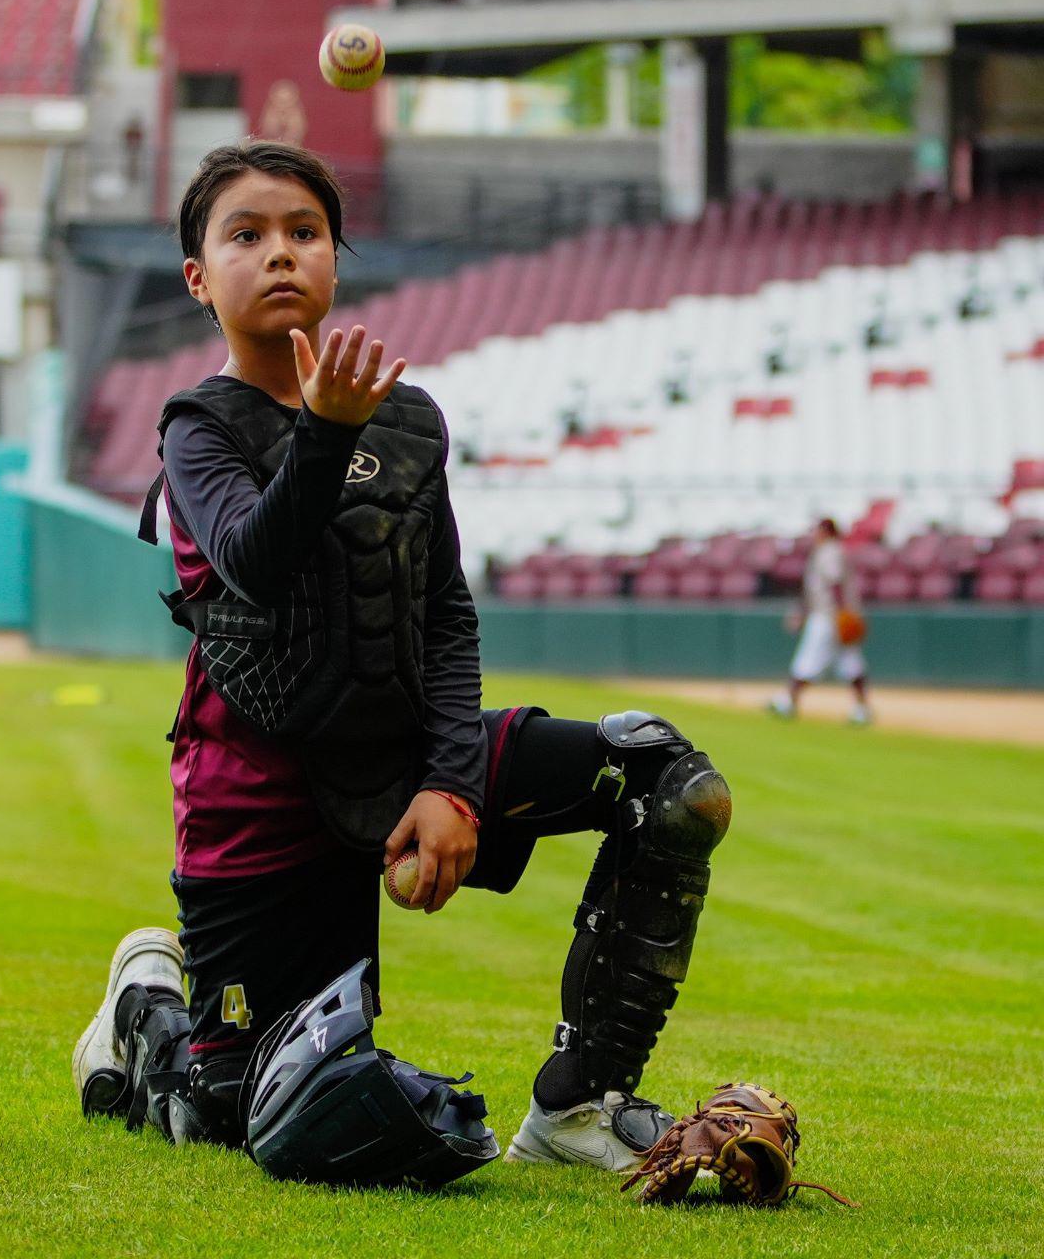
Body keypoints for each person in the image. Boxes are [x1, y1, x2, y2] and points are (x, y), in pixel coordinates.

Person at [71, 142, 732, 1181]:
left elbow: (445, 613)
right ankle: (143, 1009)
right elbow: (253, 559)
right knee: (253, 1111)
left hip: (406, 751)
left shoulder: (411, 422)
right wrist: (322, 435)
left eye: (304, 232)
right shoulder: (197, 429)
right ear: (198, 279)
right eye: (244, 235)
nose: (279, 252)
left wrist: (452, 788)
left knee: (671, 783)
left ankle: (580, 1104)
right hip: (261, 795)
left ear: (337, 259)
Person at [770, 517, 872, 726]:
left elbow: (834, 584)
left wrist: (842, 614)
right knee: (851, 663)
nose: (812, 535)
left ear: (826, 531)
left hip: (829, 616)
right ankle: (861, 709)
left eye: (815, 530)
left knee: (808, 660)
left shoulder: (831, 551)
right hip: (833, 614)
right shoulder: (829, 550)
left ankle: (788, 702)